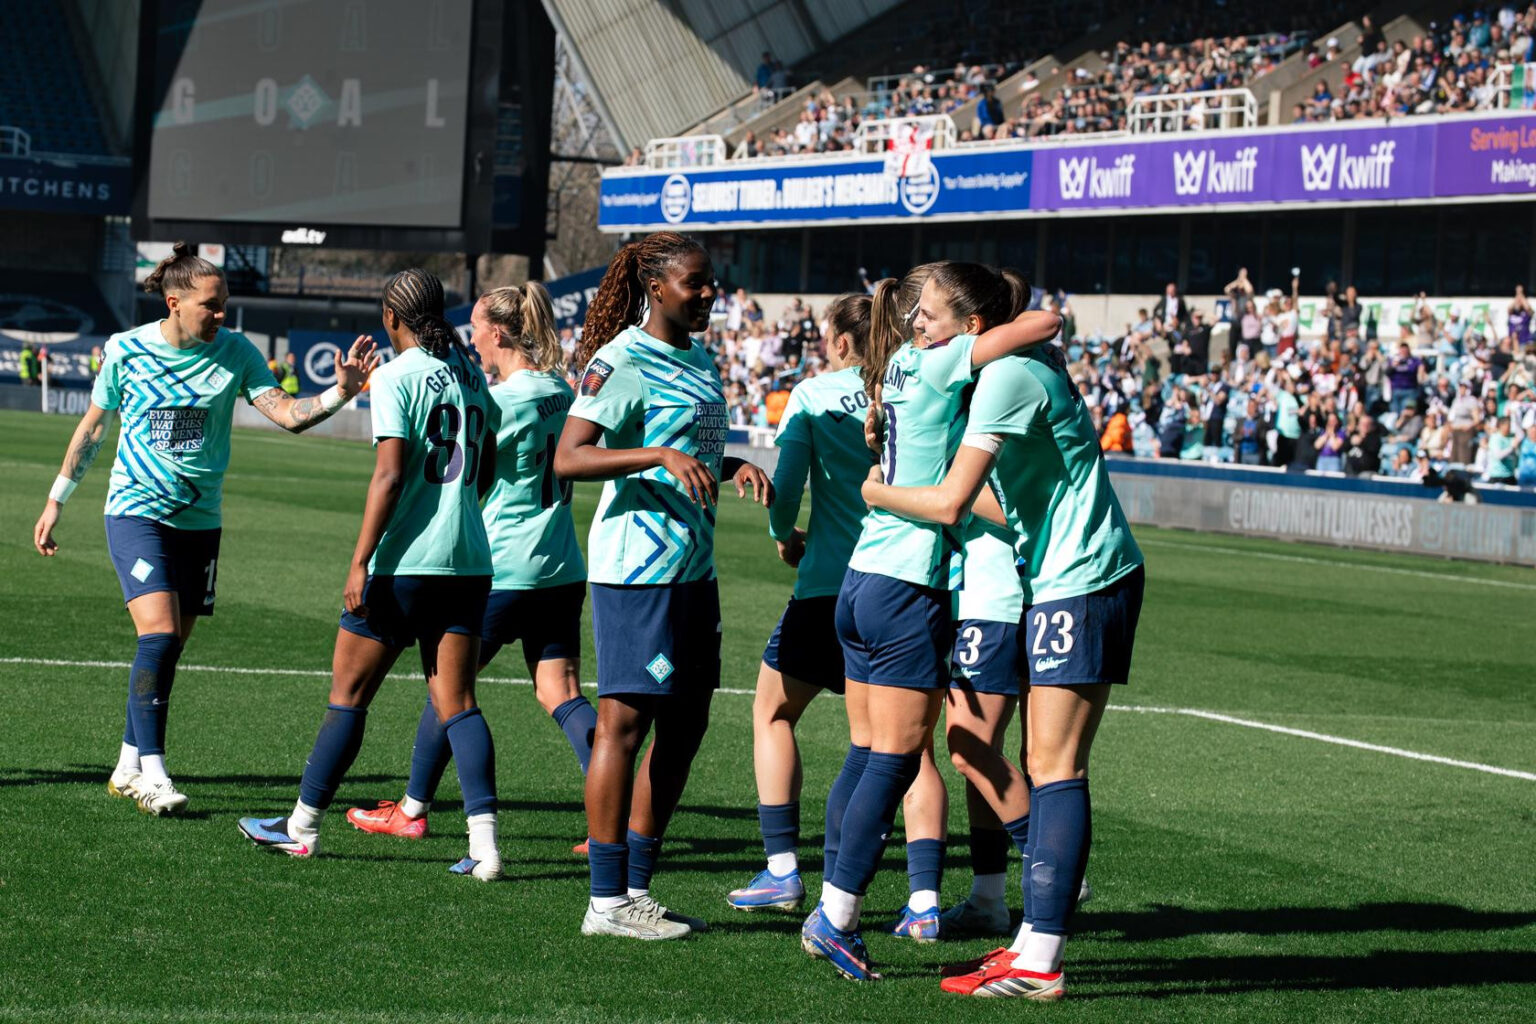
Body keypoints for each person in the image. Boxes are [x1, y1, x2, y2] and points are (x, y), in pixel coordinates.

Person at [32, 242, 376, 816]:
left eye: (225, 305)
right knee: (159, 634)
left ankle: (125, 763)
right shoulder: (125, 350)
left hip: (200, 522)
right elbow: (94, 429)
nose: (222, 316)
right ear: (174, 302)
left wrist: (342, 391)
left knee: (167, 649)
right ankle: (155, 776)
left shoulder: (236, 352)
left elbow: (287, 415)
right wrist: (55, 500)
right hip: (135, 512)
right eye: (212, 306)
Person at [860, 332, 1144, 1002]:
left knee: (1052, 764)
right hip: (1061, 577)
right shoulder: (1008, 374)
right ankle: (1029, 940)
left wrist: (879, 489)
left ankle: (1041, 957)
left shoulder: (1008, 377)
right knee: (1038, 761)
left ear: (973, 324)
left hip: (1082, 575)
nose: (921, 331)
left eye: (931, 317)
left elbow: (958, 500)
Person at [800, 263, 1062, 981]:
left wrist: (880, 491)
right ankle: (839, 915)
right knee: (896, 757)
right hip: (907, 585)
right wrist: (991, 326)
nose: (923, 320)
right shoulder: (947, 360)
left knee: (865, 751)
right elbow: (1044, 321)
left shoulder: (899, 363)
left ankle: (832, 905)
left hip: (859, 578)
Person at [237, 269, 503, 878]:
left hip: (404, 567)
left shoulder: (396, 376)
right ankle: (486, 849)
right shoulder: (468, 374)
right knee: (459, 705)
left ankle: (301, 828)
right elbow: (486, 463)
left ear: (392, 317)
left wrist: (359, 560)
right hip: (468, 563)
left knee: (349, 697)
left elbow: (387, 476)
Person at [554, 231, 772, 941]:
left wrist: (731, 462)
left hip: (692, 572)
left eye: (712, 282)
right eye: (696, 282)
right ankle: (605, 900)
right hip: (635, 573)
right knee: (624, 724)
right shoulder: (620, 359)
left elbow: (692, 452)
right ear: (656, 286)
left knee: (687, 725)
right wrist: (656, 453)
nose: (710, 293)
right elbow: (569, 457)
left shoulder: (701, 359)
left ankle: (638, 889)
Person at [342, 283, 596, 850]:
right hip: (561, 563)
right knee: (561, 691)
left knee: (451, 693)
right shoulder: (559, 389)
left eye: (477, 327)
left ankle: (412, 808)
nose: (471, 338)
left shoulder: (502, 399)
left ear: (498, 333)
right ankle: (615, 814)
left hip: (505, 564)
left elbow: (451, 464)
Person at [725, 294, 878, 913]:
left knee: (773, 712)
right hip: (906, 583)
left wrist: (783, 536)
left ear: (842, 341)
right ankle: (924, 898)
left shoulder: (813, 397)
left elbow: (785, 489)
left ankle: (783, 868)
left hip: (828, 584)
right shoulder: (911, 390)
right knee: (899, 744)